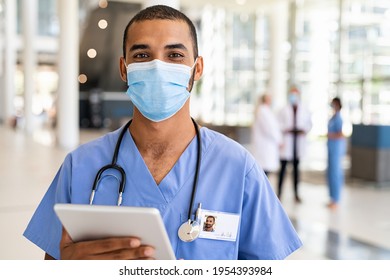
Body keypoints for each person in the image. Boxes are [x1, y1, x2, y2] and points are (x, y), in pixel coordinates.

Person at [23, 5, 302, 260]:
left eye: (175, 55)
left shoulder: (238, 168)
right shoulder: (81, 166)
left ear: (198, 68)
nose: (158, 67)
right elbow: (54, 261)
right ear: (124, 69)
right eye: (142, 55)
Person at [277, 86, 312, 203]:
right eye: (291, 94)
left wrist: (304, 130)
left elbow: (309, 124)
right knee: (282, 170)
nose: (293, 96)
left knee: (296, 171)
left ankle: (296, 194)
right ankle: (279, 193)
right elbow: (279, 124)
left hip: (298, 142)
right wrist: (286, 129)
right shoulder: (283, 110)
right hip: (287, 141)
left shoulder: (304, 109)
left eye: (295, 94)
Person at [251, 94, 282, 176]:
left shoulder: (265, 110)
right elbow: (269, 129)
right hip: (264, 147)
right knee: (263, 172)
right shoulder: (263, 111)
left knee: (265, 172)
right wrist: (279, 141)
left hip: (266, 147)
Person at [327, 97, 346, 210]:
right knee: (330, 173)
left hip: (336, 149)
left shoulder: (339, 118)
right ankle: (332, 198)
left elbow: (340, 134)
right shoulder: (333, 117)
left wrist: (330, 136)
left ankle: (336, 199)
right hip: (331, 148)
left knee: (335, 173)